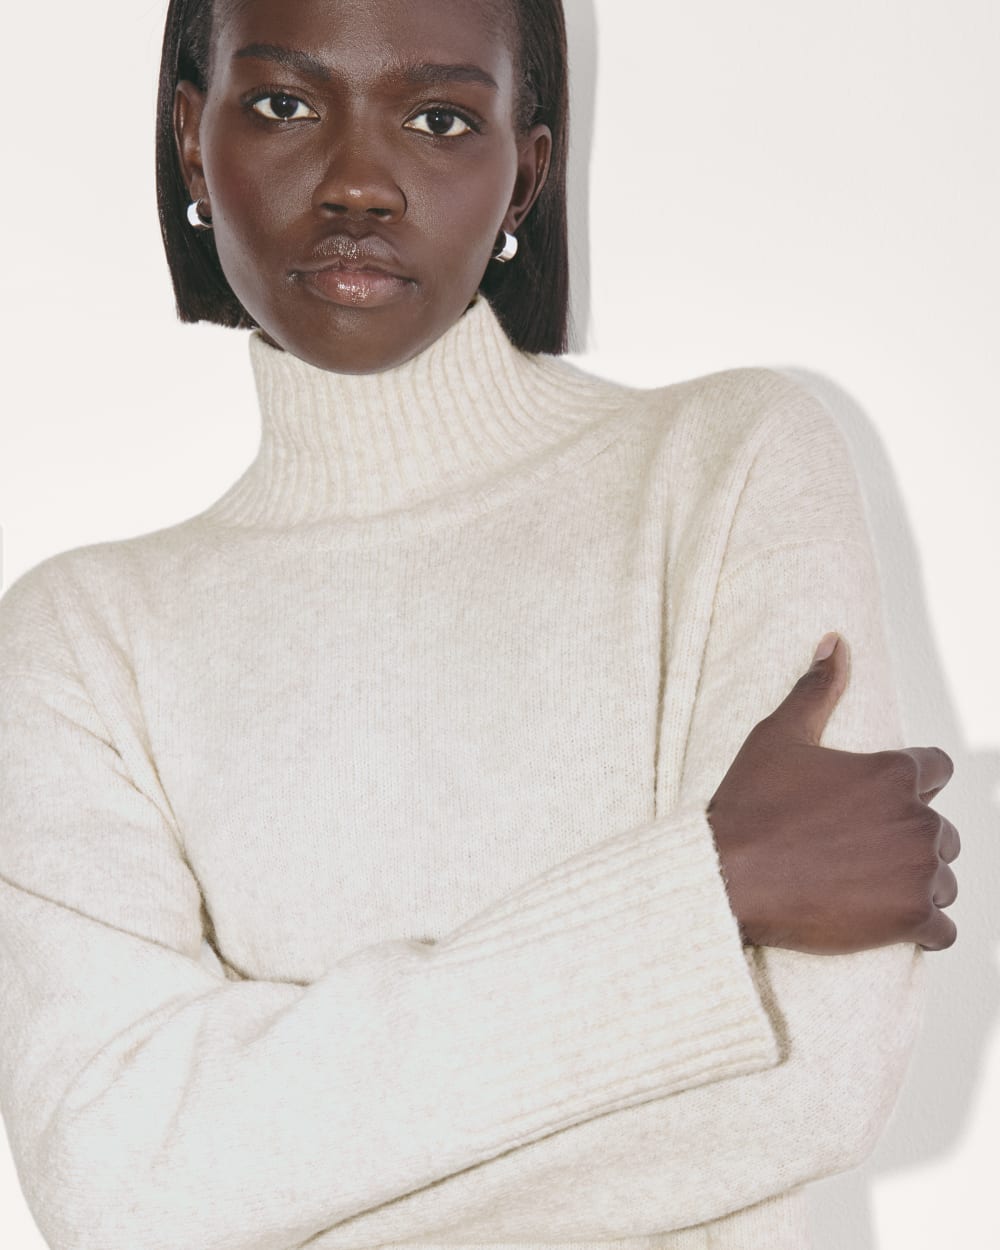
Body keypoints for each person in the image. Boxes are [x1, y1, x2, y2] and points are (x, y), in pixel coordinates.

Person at [0, 0, 961, 1248]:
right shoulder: (80, 638)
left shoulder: (725, 468)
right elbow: (113, 1187)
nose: (357, 182)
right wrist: (698, 898)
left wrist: (256, 1171)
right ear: (194, 141)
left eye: (441, 119)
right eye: (285, 104)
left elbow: (809, 1081)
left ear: (527, 172)